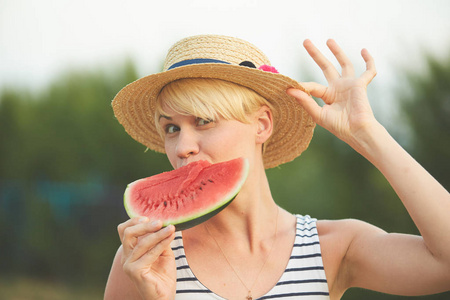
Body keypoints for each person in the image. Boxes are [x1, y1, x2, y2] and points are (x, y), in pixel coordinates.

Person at [104, 35, 450, 300]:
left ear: (262, 125)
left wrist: (368, 134)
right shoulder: (144, 260)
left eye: (204, 120)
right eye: (171, 128)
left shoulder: (332, 246)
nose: (183, 147)